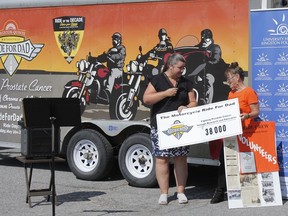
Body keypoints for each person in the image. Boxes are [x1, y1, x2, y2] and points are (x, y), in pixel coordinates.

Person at [143, 53, 197, 205]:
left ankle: (181, 192)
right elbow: (146, 99)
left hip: (180, 126)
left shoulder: (186, 83)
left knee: (180, 158)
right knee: (162, 159)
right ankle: (164, 194)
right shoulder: (158, 80)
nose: (182, 71)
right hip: (160, 126)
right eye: (180, 68)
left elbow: (194, 102)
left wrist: (186, 107)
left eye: (184, 68)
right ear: (171, 66)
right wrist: (165, 93)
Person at [210, 62, 259, 204]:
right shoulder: (231, 93)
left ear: (237, 77)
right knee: (224, 161)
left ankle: (247, 192)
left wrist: (247, 116)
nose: (228, 82)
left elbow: (256, 111)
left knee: (244, 162)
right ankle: (219, 191)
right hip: (231, 133)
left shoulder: (249, 92)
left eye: (229, 78)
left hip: (245, 134)